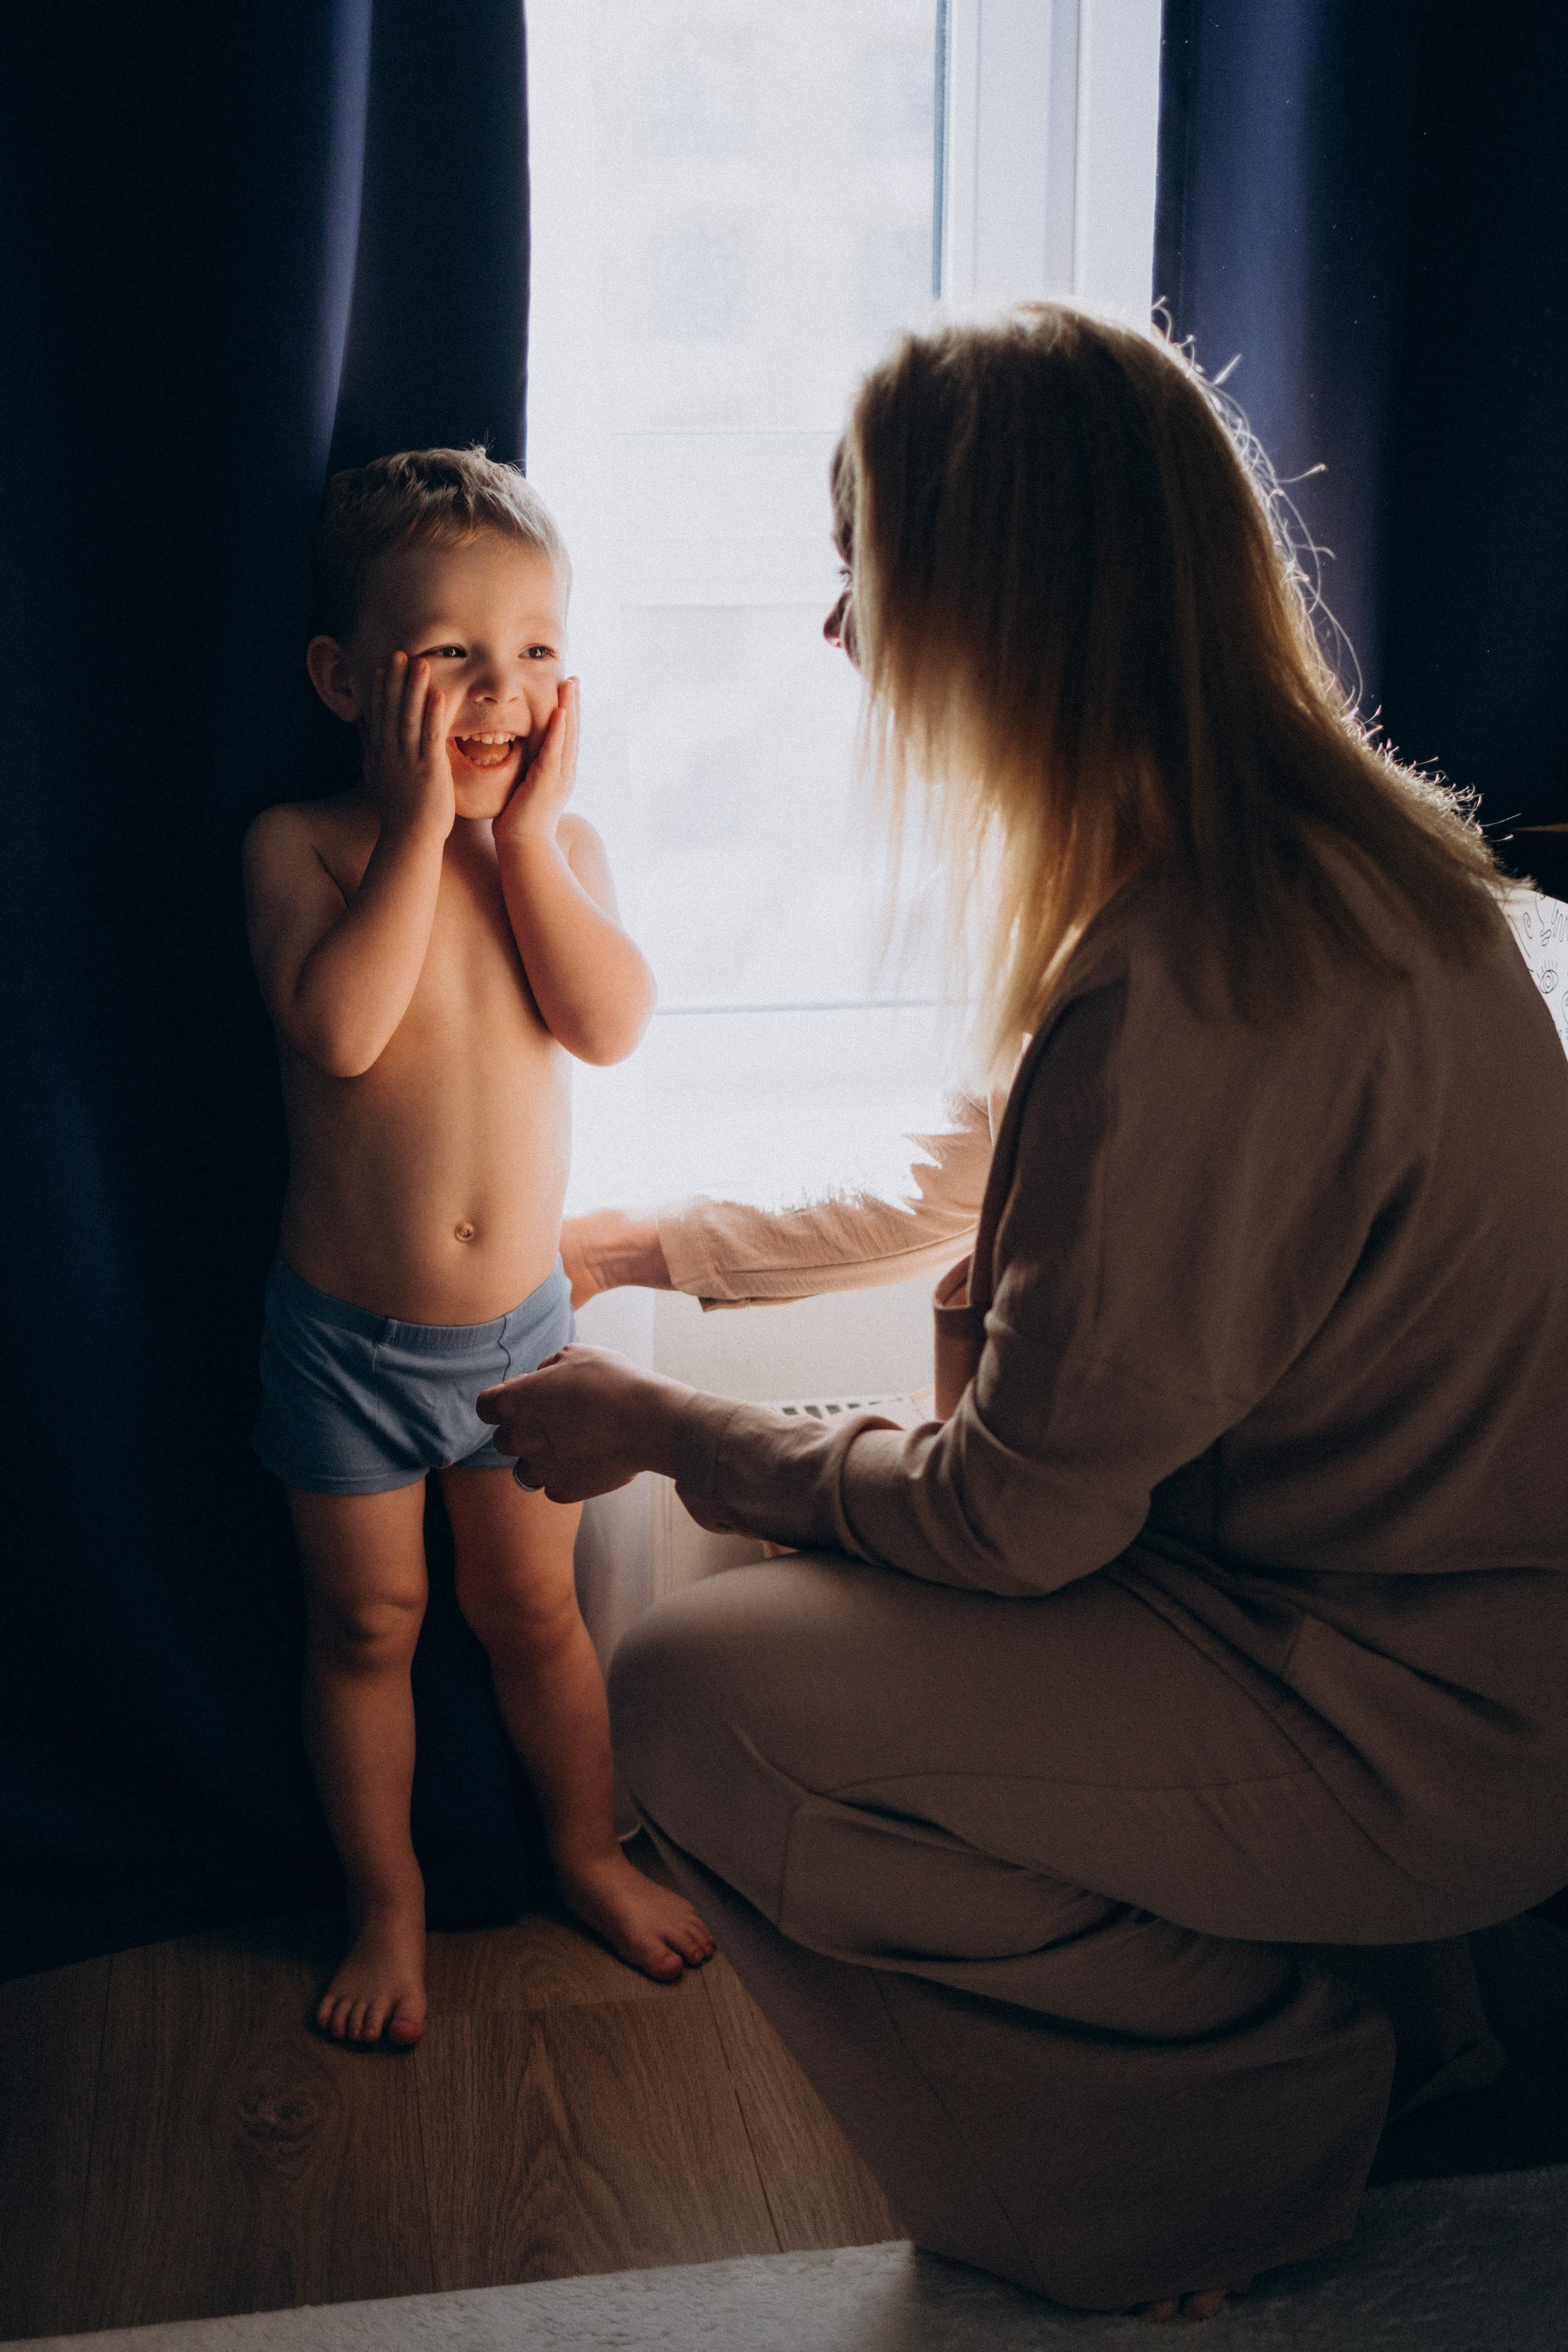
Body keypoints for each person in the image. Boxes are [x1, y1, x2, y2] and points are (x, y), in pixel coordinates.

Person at [476, 309, 1568, 2319]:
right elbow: (949, 1181)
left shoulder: (1204, 986)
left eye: (859, 571)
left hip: (1415, 1724)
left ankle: (1248, 2103)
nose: (830, 635)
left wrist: (661, 1429)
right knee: (792, 1540)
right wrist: (642, 1246)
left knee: (701, 1698)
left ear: (1006, 604)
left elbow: (1011, 1521)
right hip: (1393, 1641)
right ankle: (1343, 2024)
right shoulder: (1284, 878)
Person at [243, 448, 713, 2049]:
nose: (500, 690)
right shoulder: (305, 848)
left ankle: (583, 1848)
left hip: (515, 1338)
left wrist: (518, 841)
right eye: (448, 655)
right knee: (367, 1627)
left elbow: (609, 1022)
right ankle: (391, 1902)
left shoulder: (558, 856)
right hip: (345, 1349)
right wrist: (419, 822)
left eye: (532, 652)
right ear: (344, 677)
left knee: (532, 1614)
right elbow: (342, 1030)